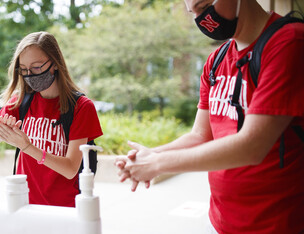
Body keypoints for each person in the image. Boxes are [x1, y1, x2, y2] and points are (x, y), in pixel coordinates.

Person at [115, 0, 304, 233]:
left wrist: (157, 164)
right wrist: (149, 155)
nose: (202, 20)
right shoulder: (216, 62)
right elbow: (201, 135)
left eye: (204, 7)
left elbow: (253, 146)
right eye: (193, 13)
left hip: (276, 224)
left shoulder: (289, 42)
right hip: (219, 221)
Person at [0, 31, 103, 207]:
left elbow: (70, 169)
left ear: (55, 63)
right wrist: (4, 134)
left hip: (64, 208)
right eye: (25, 69)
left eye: (36, 67)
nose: (30, 75)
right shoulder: (20, 102)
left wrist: (26, 146)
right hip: (24, 204)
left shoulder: (81, 107)